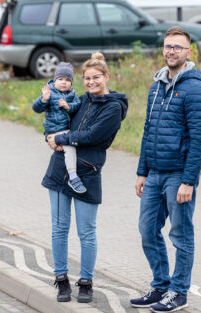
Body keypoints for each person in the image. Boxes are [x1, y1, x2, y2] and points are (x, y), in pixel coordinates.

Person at [130, 26, 201, 312]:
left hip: (178, 175)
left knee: (180, 235)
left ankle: (179, 292)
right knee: (147, 230)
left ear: (188, 52)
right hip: (154, 174)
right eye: (167, 46)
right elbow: (148, 130)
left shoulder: (195, 88)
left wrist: (189, 181)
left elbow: (200, 139)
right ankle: (160, 286)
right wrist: (142, 171)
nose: (171, 51)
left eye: (177, 47)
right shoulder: (156, 85)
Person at [42, 53, 128, 303]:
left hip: (87, 174)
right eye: (87, 78)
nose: (91, 82)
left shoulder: (113, 108)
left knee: (86, 232)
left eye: (96, 77)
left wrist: (61, 139)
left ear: (107, 77)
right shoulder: (80, 100)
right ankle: (61, 280)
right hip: (59, 171)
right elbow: (57, 122)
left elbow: (92, 136)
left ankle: (86, 282)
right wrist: (49, 137)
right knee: (59, 228)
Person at [32, 62, 85, 193]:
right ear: (54, 80)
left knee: (69, 147)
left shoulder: (72, 94)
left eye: (67, 80)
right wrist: (44, 99)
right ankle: (73, 176)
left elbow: (77, 106)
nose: (64, 82)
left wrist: (68, 106)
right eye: (60, 79)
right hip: (54, 130)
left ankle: (70, 172)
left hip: (67, 128)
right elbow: (36, 108)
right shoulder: (49, 93)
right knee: (70, 146)